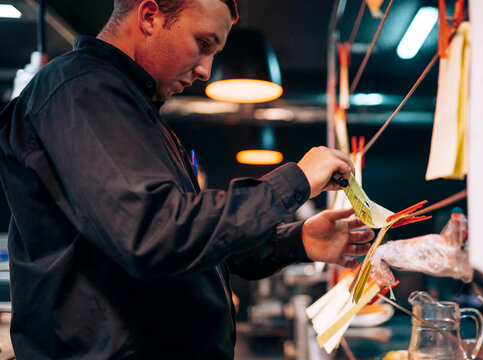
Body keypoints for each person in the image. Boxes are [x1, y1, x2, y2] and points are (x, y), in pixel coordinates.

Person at [0, 0, 374, 358]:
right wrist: (294, 181)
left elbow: (193, 239)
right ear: (150, 16)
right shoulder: (81, 89)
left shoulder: (132, 108)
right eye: (204, 44)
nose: (205, 71)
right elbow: (154, 234)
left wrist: (297, 240)